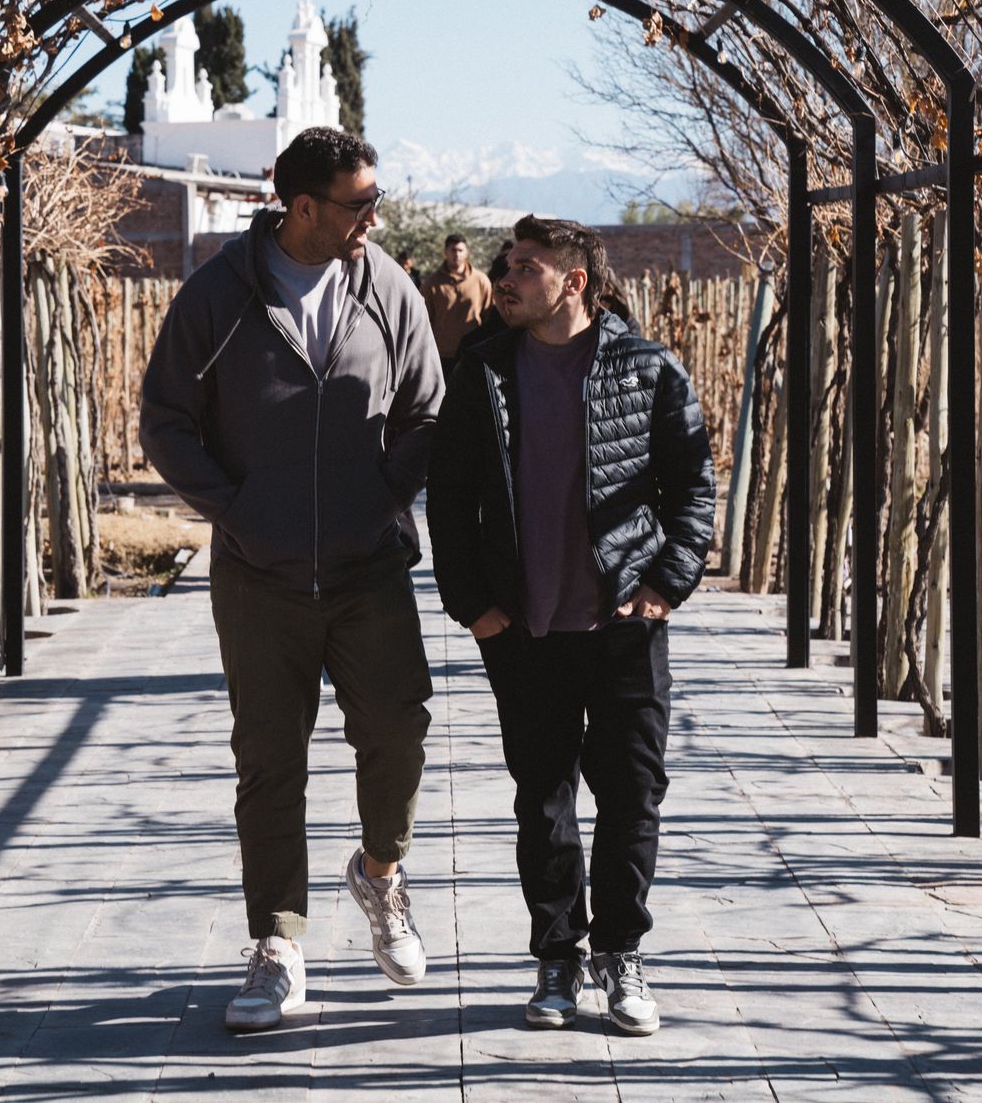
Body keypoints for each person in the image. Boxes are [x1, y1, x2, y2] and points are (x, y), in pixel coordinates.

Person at [140, 127, 444, 1032]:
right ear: (301, 205)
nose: (374, 217)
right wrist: (238, 511)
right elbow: (165, 419)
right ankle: (277, 944)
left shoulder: (387, 287)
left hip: (368, 567)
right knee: (270, 762)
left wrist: (381, 499)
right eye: (359, 203)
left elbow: (427, 410)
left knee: (398, 730)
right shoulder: (219, 295)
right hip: (258, 575)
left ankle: (380, 874)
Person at [426, 215, 715, 1036]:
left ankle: (620, 952)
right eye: (507, 264)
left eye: (527, 267)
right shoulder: (483, 371)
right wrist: (473, 604)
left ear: (574, 282)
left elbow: (693, 486)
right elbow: (448, 496)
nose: (507, 278)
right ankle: (556, 956)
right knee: (543, 798)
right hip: (525, 628)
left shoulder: (647, 368)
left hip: (623, 625)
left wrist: (663, 586)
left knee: (631, 793)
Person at [421, 232, 494, 375]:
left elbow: (488, 316)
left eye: (460, 250)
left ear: (467, 252)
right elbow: (424, 319)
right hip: (441, 354)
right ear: (445, 252)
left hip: (473, 352)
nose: (457, 254)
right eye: (453, 250)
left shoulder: (481, 280)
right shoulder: (431, 283)